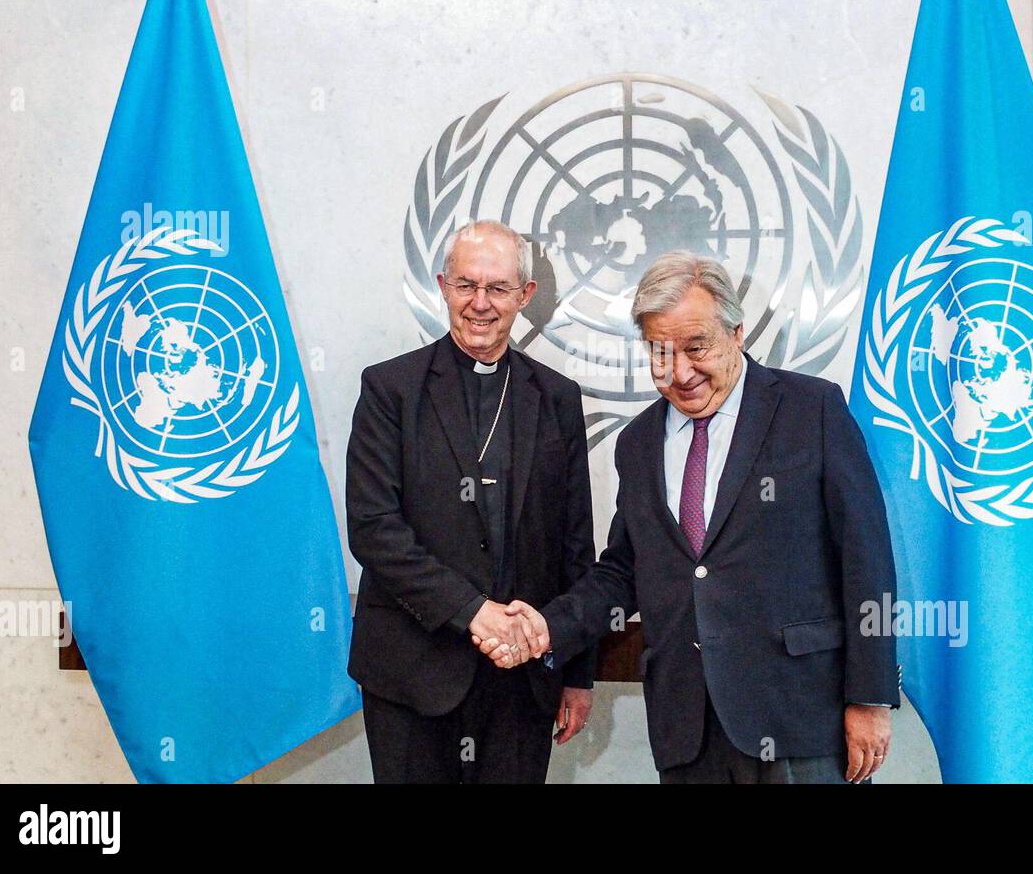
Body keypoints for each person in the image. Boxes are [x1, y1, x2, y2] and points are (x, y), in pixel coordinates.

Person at [481, 252, 900, 783]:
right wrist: (547, 626)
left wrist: (870, 698)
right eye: (660, 352)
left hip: (800, 717)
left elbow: (867, 559)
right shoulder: (637, 443)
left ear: (737, 333)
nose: (680, 373)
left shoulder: (811, 409)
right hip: (688, 728)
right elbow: (623, 572)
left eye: (696, 347)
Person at [346, 219, 594, 783]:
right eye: (466, 285)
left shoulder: (556, 398)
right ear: (442, 285)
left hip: (522, 679)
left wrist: (577, 672)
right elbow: (374, 530)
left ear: (525, 296)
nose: (480, 304)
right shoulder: (391, 390)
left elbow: (575, 543)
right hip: (413, 671)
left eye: (498, 289)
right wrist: (473, 612)